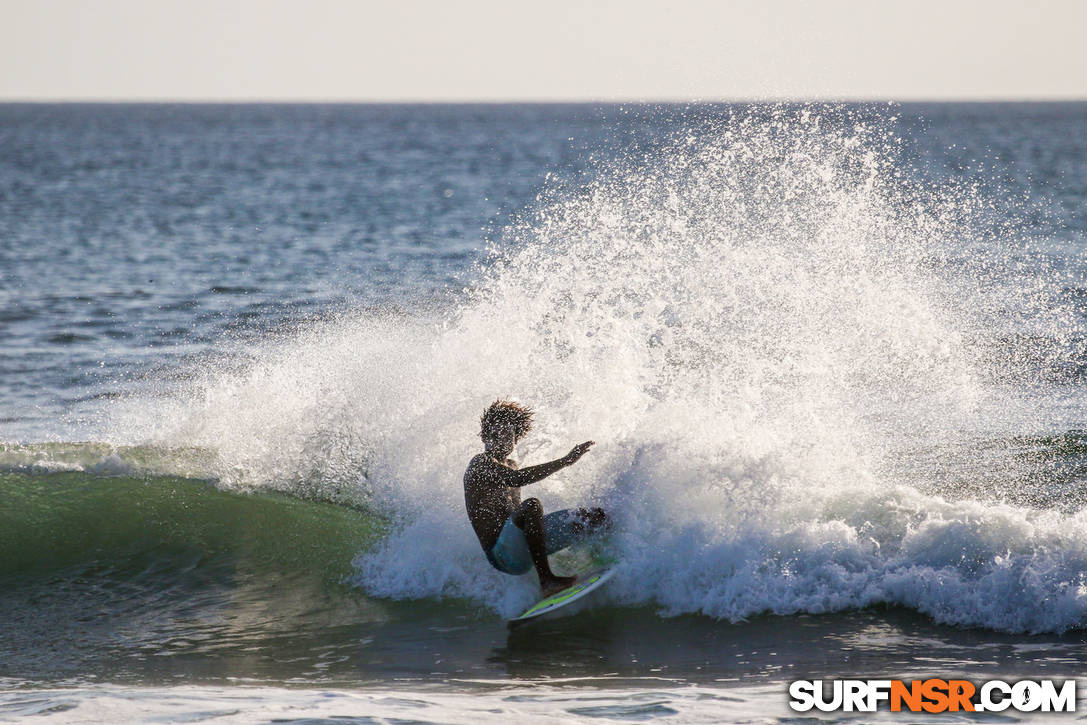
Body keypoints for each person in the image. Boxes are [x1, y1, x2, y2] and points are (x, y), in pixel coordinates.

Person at [464, 399, 608, 596]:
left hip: (523, 546)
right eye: (495, 434)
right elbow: (517, 478)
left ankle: (598, 559)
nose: (501, 440)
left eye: (508, 435)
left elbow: (516, 496)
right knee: (531, 505)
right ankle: (547, 580)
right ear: (485, 436)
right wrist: (565, 461)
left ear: (515, 441)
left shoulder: (512, 464)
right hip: (504, 555)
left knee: (590, 517)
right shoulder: (480, 463)